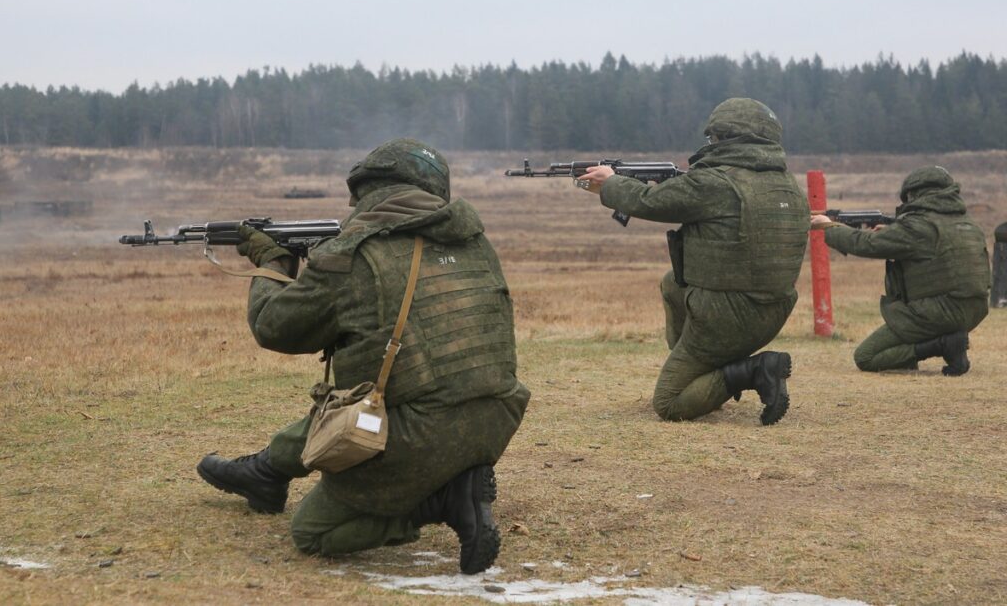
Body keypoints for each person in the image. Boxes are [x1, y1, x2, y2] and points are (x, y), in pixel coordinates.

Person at [196, 139, 530, 574]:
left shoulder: (353, 256)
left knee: (314, 531)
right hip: (495, 419)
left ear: (369, 188)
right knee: (367, 396)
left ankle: (447, 500)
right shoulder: (476, 244)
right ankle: (268, 470)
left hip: (419, 434)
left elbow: (273, 326)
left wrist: (273, 262)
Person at [578, 98, 809, 426]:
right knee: (674, 283)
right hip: (773, 310)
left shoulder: (715, 182)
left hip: (728, 313)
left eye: (714, 137)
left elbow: (648, 201)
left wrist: (611, 182)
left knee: (670, 402)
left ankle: (755, 371)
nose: (710, 143)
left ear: (725, 136)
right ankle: (706, 370)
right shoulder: (788, 185)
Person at [810, 166, 990, 375]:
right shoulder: (967, 224)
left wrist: (829, 227)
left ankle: (942, 345)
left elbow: (867, 244)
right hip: (974, 310)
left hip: (940, 312)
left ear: (915, 193)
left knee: (866, 357)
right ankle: (950, 343)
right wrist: (893, 233)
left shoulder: (918, 226)